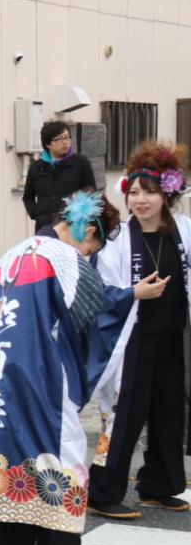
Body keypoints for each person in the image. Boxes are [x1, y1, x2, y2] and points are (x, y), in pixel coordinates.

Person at [0, 191, 156, 545]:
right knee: (62, 459)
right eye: (93, 247)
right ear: (88, 229)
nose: (89, 256)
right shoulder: (64, 258)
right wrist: (133, 296)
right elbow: (96, 310)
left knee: (10, 459)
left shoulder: (12, 255)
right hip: (41, 378)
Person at [89, 141, 191, 519]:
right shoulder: (117, 238)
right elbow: (102, 290)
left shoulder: (183, 229)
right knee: (123, 413)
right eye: (134, 192)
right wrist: (135, 292)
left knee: (169, 413)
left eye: (150, 192)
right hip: (132, 339)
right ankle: (102, 493)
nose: (141, 200)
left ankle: (158, 486)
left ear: (167, 194)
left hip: (173, 335)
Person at [23, 121, 97, 233]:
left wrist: (79, 216)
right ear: (47, 144)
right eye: (59, 139)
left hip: (72, 227)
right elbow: (28, 197)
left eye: (67, 138)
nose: (65, 142)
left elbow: (90, 193)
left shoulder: (81, 163)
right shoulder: (36, 167)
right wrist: (37, 214)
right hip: (45, 227)